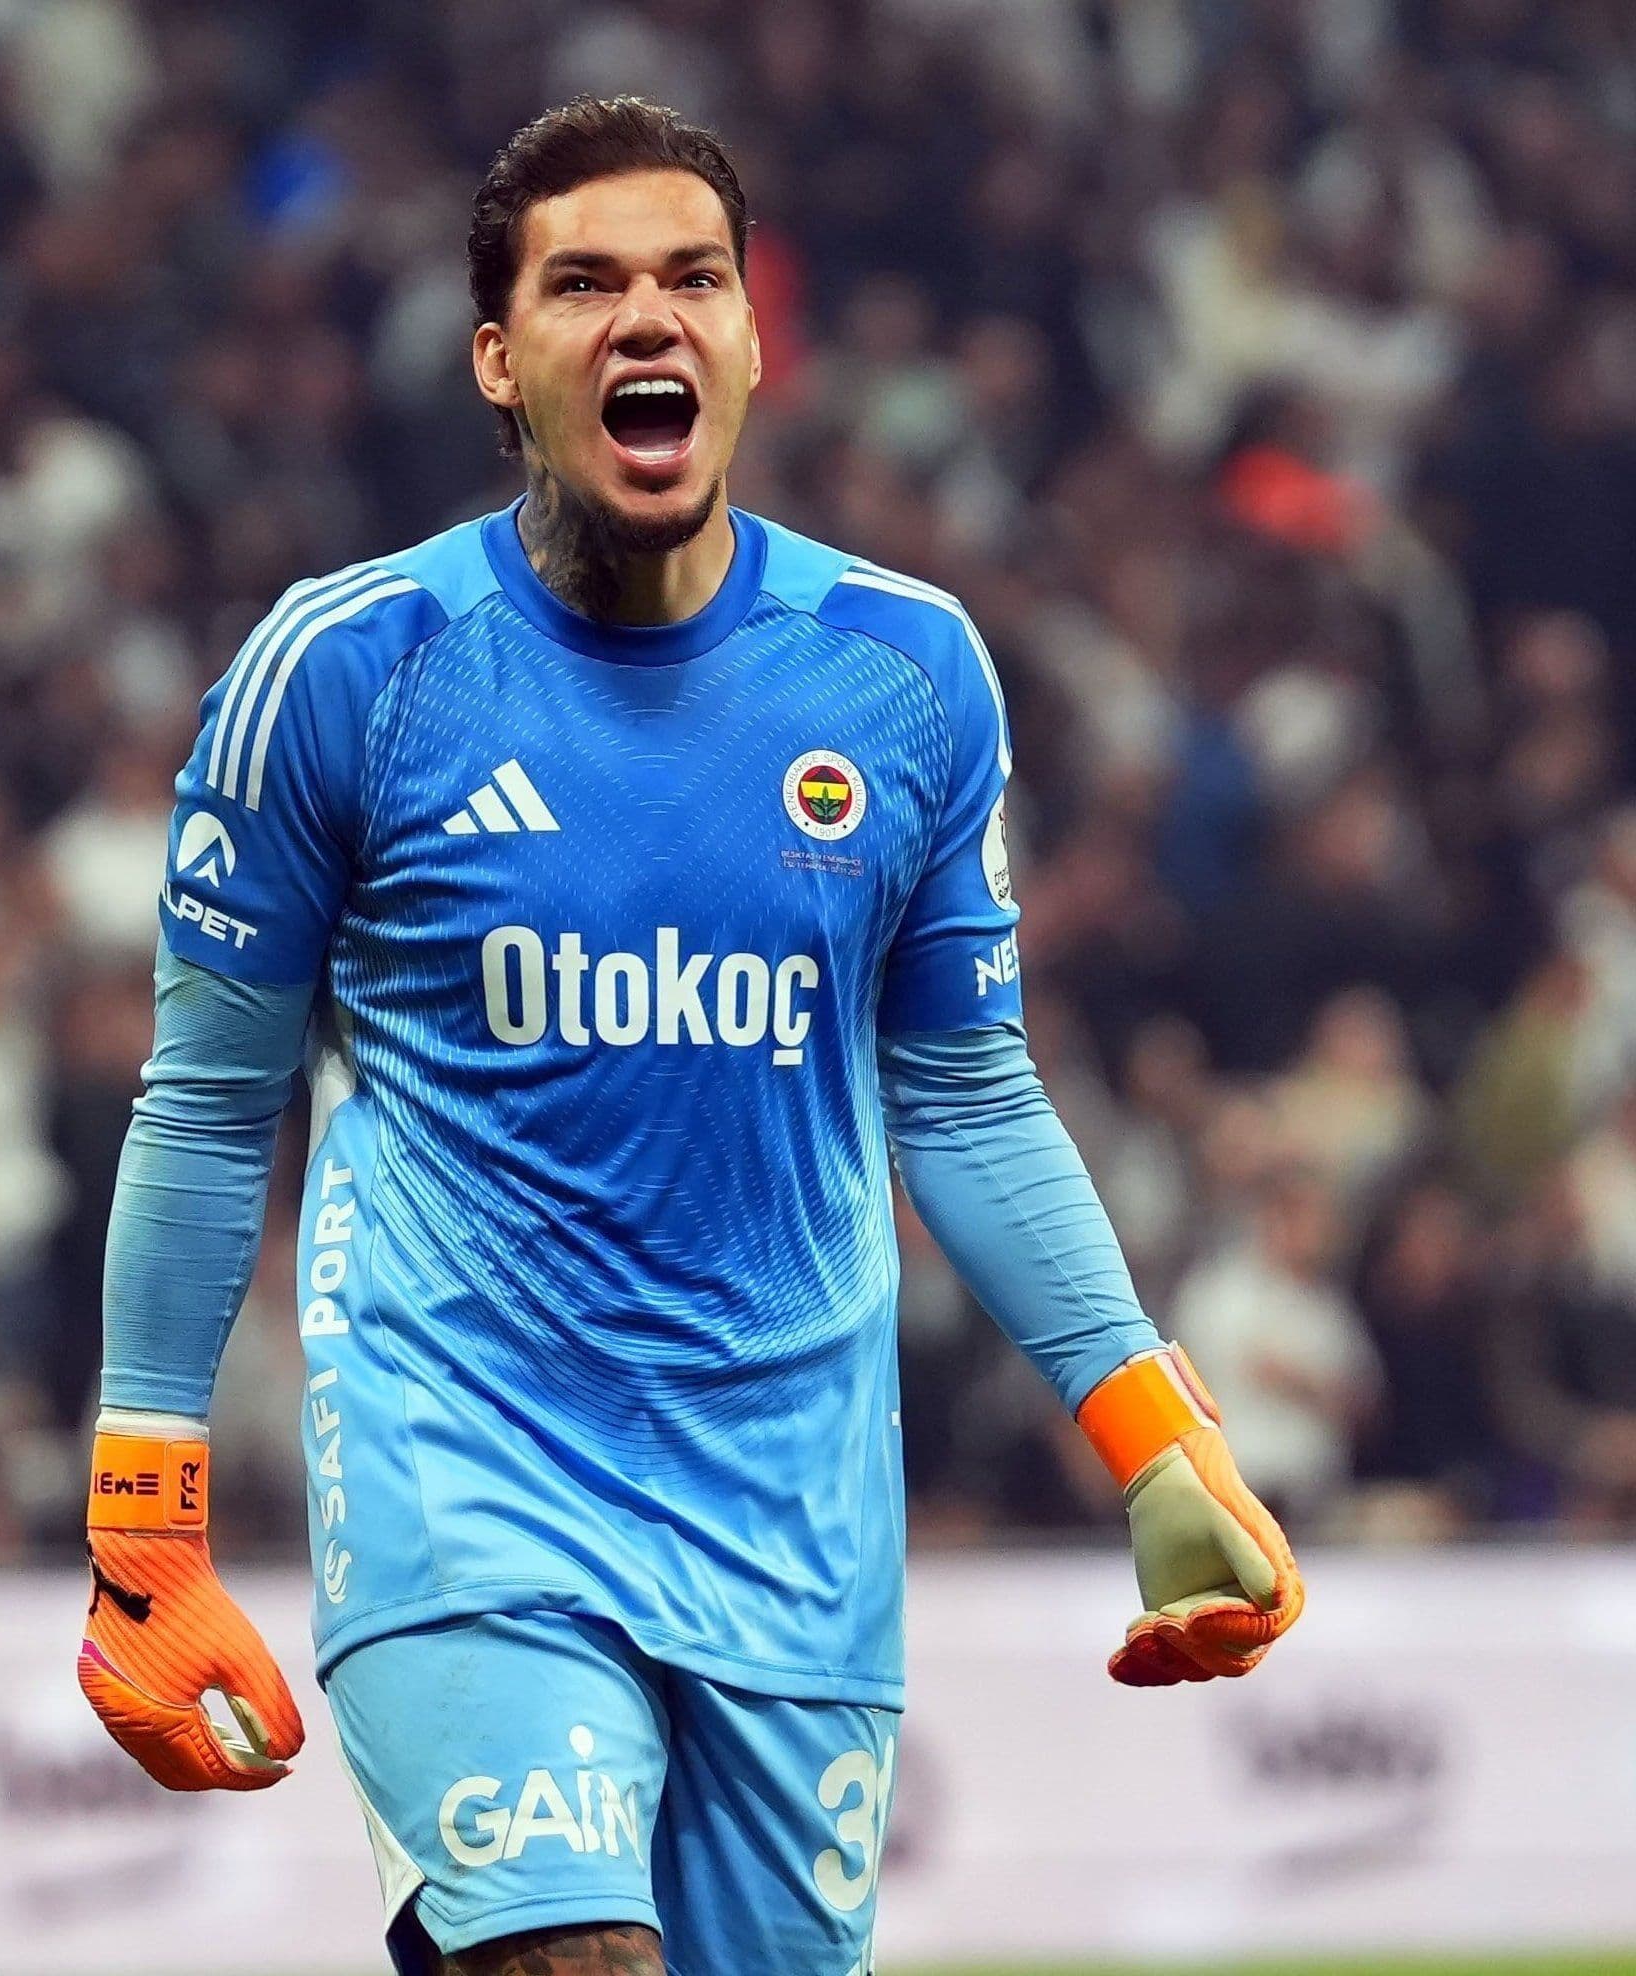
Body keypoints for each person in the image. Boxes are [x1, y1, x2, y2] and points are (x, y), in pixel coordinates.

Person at [77, 98, 1302, 1976]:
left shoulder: (905, 675)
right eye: (584, 285)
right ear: (499, 361)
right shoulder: (344, 673)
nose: (648, 317)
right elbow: (206, 1103)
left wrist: (1153, 1431)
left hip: (794, 1527)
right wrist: (144, 1525)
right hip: (467, 1482)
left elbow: (966, 1094)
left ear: (747, 340)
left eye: (693, 279)